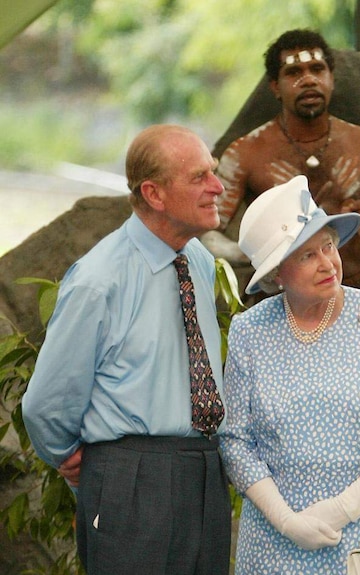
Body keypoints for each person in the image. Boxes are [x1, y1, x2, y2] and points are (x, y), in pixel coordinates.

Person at [21, 124, 231, 575]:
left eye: (213, 173)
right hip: (132, 478)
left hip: (204, 470)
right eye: (200, 177)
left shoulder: (196, 260)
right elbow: (45, 404)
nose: (218, 187)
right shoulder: (99, 280)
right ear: (154, 194)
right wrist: (83, 463)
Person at [219, 174, 360, 573]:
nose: (327, 263)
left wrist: (339, 510)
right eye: (306, 255)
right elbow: (236, 441)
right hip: (272, 545)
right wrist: (286, 520)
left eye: (328, 246)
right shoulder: (250, 331)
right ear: (277, 274)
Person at [210, 28, 360, 297]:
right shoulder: (245, 153)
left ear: (331, 79)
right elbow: (208, 234)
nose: (308, 80)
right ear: (275, 86)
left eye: (317, 69)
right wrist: (258, 253)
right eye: (294, 73)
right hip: (280, 303)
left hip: (354, 295)